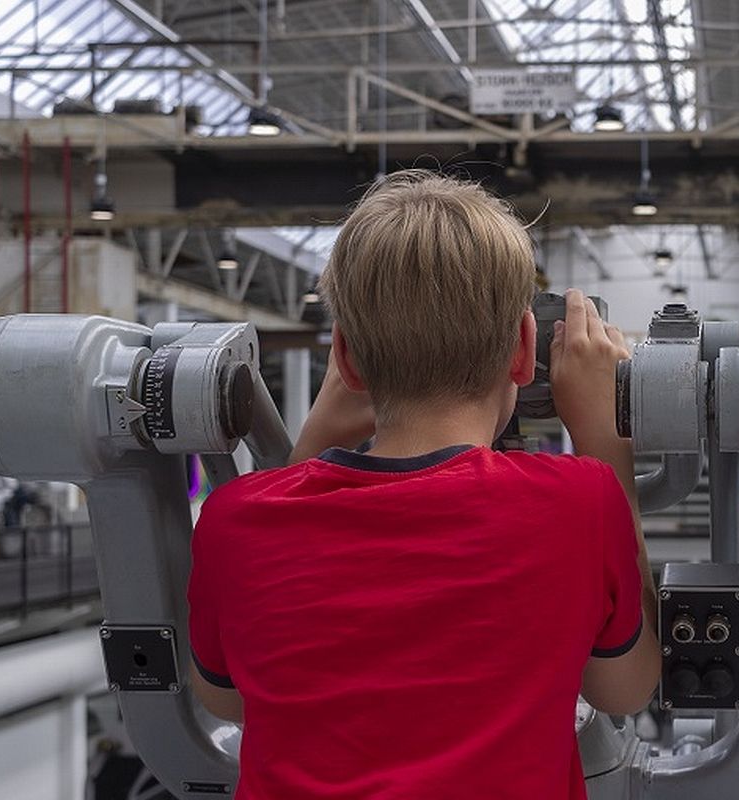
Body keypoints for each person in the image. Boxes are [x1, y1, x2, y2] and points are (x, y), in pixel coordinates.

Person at [187, 170, 661, 799]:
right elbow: (624, 688)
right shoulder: (578, 501)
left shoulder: (232, 519)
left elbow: (231, 699)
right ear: (524, 349)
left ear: (348, 359)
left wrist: (318, 433)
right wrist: (606, 442)